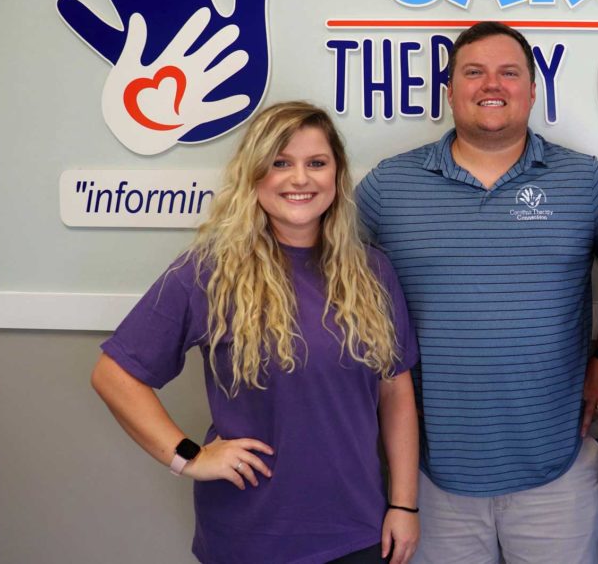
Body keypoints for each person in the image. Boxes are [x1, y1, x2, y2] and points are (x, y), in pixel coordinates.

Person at [355, 21, 598, 564]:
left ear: (533, 90)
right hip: (430, 479)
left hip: (554, 469)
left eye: (509, 73)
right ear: (450, 91)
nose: (493, 84)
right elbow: (324, 271)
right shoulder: (390, 187)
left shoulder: (583, 180)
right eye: (474, 72)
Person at [91, 102, 421, 564]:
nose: (299, 178)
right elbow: (114, 375)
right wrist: (189, 456)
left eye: (316, 163)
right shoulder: (208, 271)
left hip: (357, 529)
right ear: (253, 175)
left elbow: (396, 394)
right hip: (251, 537)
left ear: (337, 176)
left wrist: (404, 504)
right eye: (280, 163)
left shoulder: (373, 271)